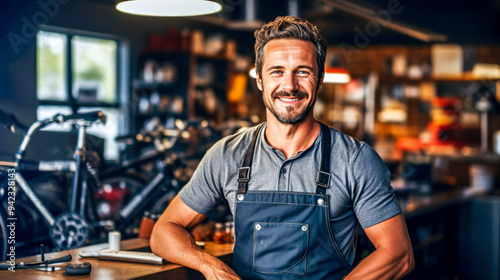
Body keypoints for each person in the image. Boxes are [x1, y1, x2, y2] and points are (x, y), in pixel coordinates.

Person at [150, 15, 414, 280]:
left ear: (320, 80)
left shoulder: (355, 159)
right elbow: (164, 230)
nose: (290, 86)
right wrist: (210, 266)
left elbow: (398, 254)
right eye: (277, 71)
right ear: (259, 80)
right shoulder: (226, 155)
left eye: (303, 71)